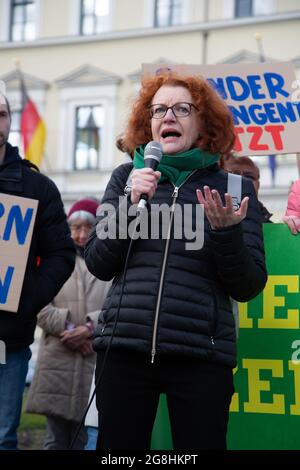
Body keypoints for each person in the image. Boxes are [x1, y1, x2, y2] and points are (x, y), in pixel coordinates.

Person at [85, 71, 267, 450]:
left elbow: (248, 286)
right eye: (158, 110)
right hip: (125, 349)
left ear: (204, 122)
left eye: (182, 109)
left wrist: (226, 233)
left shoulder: (235, 189)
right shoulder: (126, 178)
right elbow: (99, 263)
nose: (168, 116)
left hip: (201, 355)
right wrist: (129, 205)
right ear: (148, 124)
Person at [0, 94, 75, 451]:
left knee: (2, 437)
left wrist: (25, 301)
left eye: (0, 114)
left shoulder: (37, 187)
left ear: (10, 120)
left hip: (7, 341)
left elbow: (61, 254)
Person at [26, 198, 110, 450]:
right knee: (55, 441)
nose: (82, 234)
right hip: (57, 364)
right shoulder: (54, 262)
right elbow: (38, 305)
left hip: (93, 361)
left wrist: (88, 329)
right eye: (76, 227)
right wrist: (72, 331)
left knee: (86, 440)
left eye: (88, 227)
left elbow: (116, 306)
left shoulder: (109, 264)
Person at [220, 154, 273, 223]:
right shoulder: (202, 215)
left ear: (258, 185)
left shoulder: (269, 225)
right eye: (234, 175)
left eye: (249, 177)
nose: (243, 180)